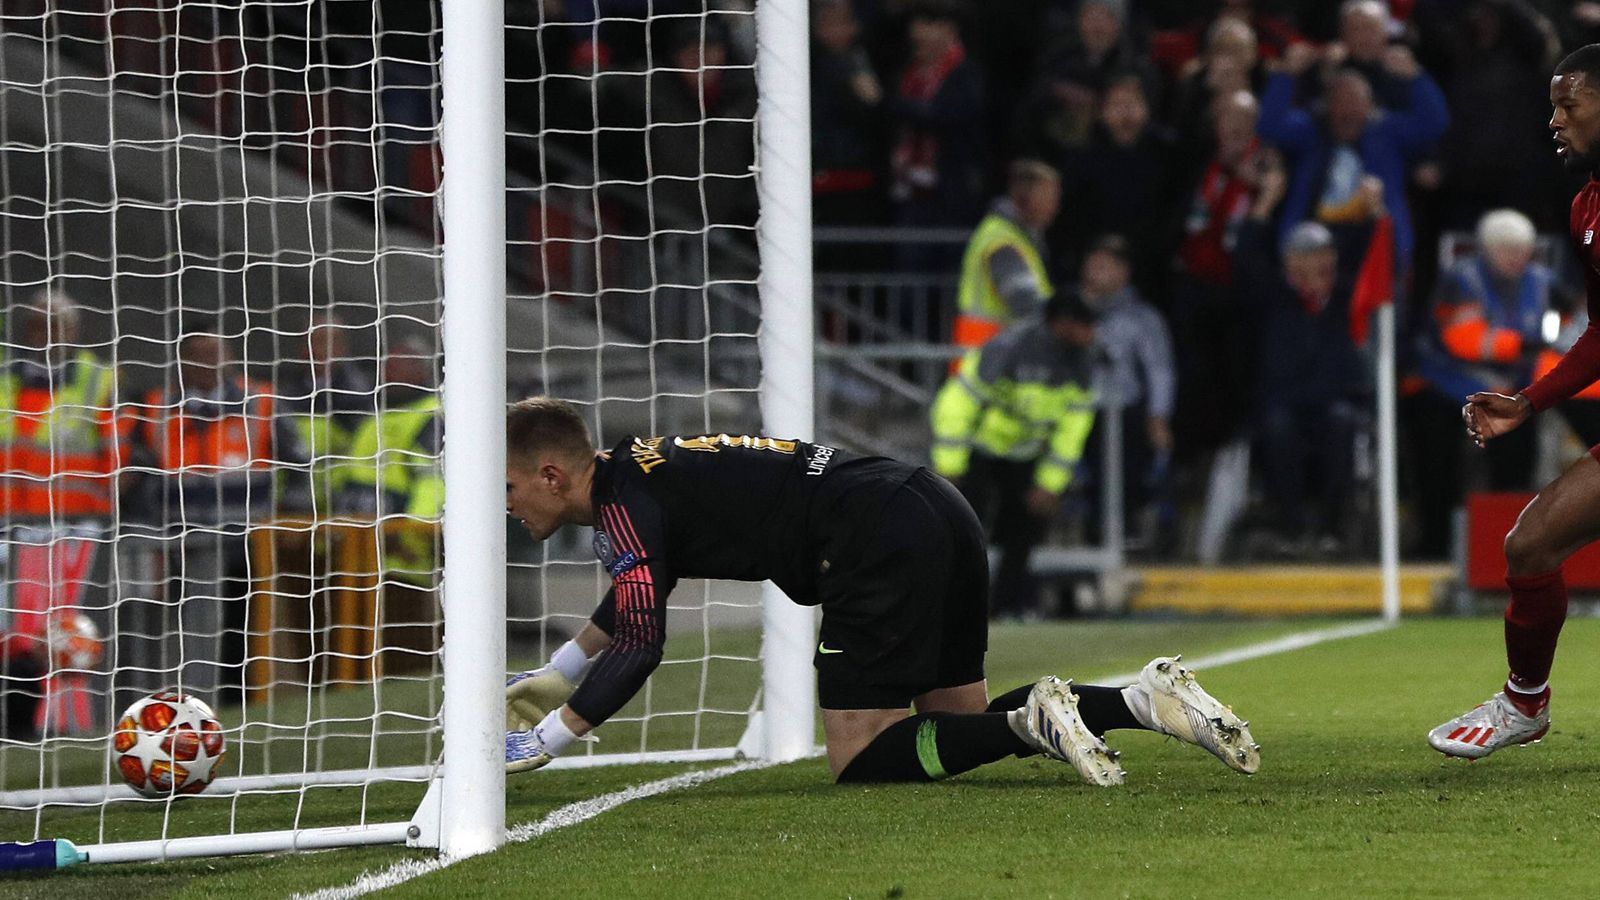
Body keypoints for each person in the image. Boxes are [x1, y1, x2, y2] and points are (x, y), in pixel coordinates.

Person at [501, 397, 1260, 785]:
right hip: (932, 505)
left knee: (858, 756)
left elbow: (641, 637)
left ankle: (1037, 726)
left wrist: (549, 735)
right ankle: (1139, 702)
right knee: (956, 722)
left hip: (872, 539)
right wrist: (562, 670)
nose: (505, 506)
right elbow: (640, 593)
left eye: (508, 488)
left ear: (552, 476)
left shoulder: (623, 507)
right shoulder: (644, 471)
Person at [1429, 44, 1600, 758]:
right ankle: (1523, 704)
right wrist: (1528, 402)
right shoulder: (1586, 207)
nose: (1555, 121)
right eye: (1553, 106)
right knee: (1528, 546)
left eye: (1571, 105)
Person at [930, 293, 1098, 620]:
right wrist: (949, 467)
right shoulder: (1007, 348)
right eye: (1087, 326)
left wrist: (1050, 484)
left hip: (1025, 453)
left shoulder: (1082, 362)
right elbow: (958, 403)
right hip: (979, 449)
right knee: (962, 529)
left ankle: (1007, 606)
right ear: (1063, 324)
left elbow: (1073, 430)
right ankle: (953, 606)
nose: (1093, 334)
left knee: (1024, 529)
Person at [1409, 209, 1566, 557]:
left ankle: (1504, 546)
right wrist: (1524, 345)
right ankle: (1437, 543)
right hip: (1449, 383)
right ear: (1486, 249)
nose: (1516, 257)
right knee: (1435, 449)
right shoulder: (1461, 279)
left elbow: (1568, 321)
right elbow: (1462, 339)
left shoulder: (1541, 280)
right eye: (1506, 249)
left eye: (1522, 249)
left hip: (1512, 387)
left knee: (1518, 449)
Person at [1078, 235, 1177, 548]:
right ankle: (1092, 528)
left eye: (1106, 264)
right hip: (1076, 410)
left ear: (1124, 272)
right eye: (1093, 262)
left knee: (1124, 443)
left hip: (1122, 411)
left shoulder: (1142, 318)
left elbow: (1160, 370)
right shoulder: (1069, 312)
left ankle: (1120, 525)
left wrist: (1159, 417)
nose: (1096, 271)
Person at [949, 160, 1061, 360]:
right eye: (1048, 197)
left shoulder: (1015, 236)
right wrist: (1065, 324)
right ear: (1024, 197)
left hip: (993, 355)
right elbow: (1024, 301)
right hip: (990, 358)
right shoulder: (1003, 241)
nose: (1054, 207)